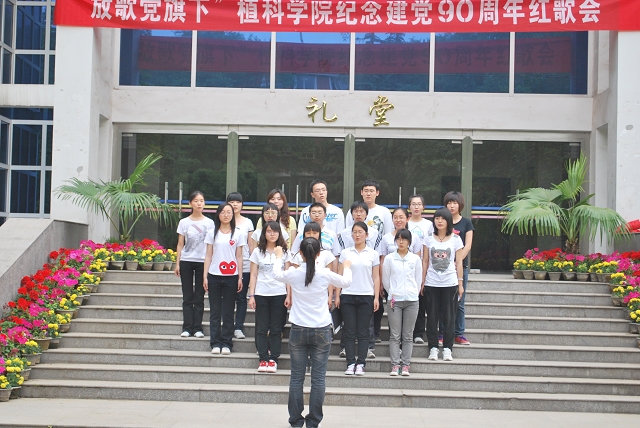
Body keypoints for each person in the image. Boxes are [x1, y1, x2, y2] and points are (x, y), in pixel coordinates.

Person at [272, 238, 353, 428]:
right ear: (318, 254)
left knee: (296, 377)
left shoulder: (294, 273)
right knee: (318, 378)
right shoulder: (324, 273)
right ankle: (314, 421)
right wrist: (347, 266)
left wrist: (278, 257)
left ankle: (295, 421)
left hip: (298, 328)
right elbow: (347, 282)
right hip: (321, 328)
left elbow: (276, 274)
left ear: (300, 253)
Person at [337, 222, 380, 376]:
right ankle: (350, 363)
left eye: (360, 232)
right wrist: (337, 294)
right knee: (349, 331)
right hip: (347, 295)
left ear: (366, 235)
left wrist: (376, 297)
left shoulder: (373, 254)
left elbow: (376, 277)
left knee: (363, 332)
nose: (357, 235)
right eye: (354, 232)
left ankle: (361, 363)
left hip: (366, 295)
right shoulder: (345, 253)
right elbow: (340, 275)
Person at [203, 203, 247, 356]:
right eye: (223, 212)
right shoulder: (212, 233)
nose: (226, 215)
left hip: (232, 277)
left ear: (232, 214)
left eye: (229, 212)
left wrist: (240, 277)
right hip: (214, 275)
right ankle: (215, 343)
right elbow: (208, 255)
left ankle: (227, 343)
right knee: (215, 311)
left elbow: (239, 257)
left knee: (228, 311)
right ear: (218, 214)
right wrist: (205, 276)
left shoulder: (238, 233)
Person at [247, 221, 290, 374]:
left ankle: (274, 359)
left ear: (280, 234)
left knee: (276, 328)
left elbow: (287, 275)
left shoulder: (284, 252)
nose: (272, 234)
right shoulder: (257, 252)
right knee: (262, 328)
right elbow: (253, 275)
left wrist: (289, 295)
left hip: (279, 293)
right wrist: (251, 295)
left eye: (275, 231)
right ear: (264, 233)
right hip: (261, 293)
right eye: (269, 231)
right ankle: (263, 358)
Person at [423, 207, 464, 362]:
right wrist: (422, 281)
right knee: (432, 317)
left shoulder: (456, 239)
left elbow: (459, 263)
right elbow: (425, 261)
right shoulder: (428, 238)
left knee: (449, 317)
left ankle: (447, 348)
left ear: (448, 221)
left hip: (450, 283)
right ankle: (433, 348)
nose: (439, 221)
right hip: (431, 283)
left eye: (443, 218)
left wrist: (460, 283)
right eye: (437, 218)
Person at [174, 191, 215, 338]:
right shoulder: (184, 222)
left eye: (201, 201)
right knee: (187, 296)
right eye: (196, 201)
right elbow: (180, 244)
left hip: (202, 262)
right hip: (186, 261)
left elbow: (211, 245)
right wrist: (177, 263)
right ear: (190, 203)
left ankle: (197, 328)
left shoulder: (209, 223)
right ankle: (187, 327)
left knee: (199, 296)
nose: (199, 203)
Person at [382, 229, 422, 376]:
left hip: (412, 301)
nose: (401, 241)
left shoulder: (415, 259)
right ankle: (395, 365)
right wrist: (393, 292)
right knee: (395, 335)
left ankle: (406, 365)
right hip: (395, 300)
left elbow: (418, 279)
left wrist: (413, 293)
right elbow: (386, 280)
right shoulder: (389, 259)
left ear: (409, 241)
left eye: (404, 239)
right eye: (398, 239)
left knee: (408, 335)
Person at [444, 191, 475, 346]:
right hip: (442, 267)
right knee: (443, 302)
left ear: (460, 205)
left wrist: (456, 261)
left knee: (459, 301)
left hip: (461, 266)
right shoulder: (442, 222)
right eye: (449, 203)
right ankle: (442, 333)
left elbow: (468, 245)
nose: (452, 206)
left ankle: (459, 334)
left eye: (454, 203)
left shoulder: (466, 223)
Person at [406, 195, 434, 344]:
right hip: (405, 266)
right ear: (409, 207)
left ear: (423, 207)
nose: (416, 207)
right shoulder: (405, 223)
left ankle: (418, 333)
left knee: (420, 301)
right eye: (413, 204)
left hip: (423, 264)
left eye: (419, 204)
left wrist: (425, 271)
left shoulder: (428, 224)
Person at [226, 192, 254, 340]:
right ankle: (228, 326)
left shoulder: (248, 222)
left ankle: (238, 327)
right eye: (232, 202)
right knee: (229, 297)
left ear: (242, 204)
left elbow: (251, 245)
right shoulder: (224, 221)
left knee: (241, 298)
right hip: (227, 266)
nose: (235, 204)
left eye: (237, 202)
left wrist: (254, 263)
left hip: (245, 265)